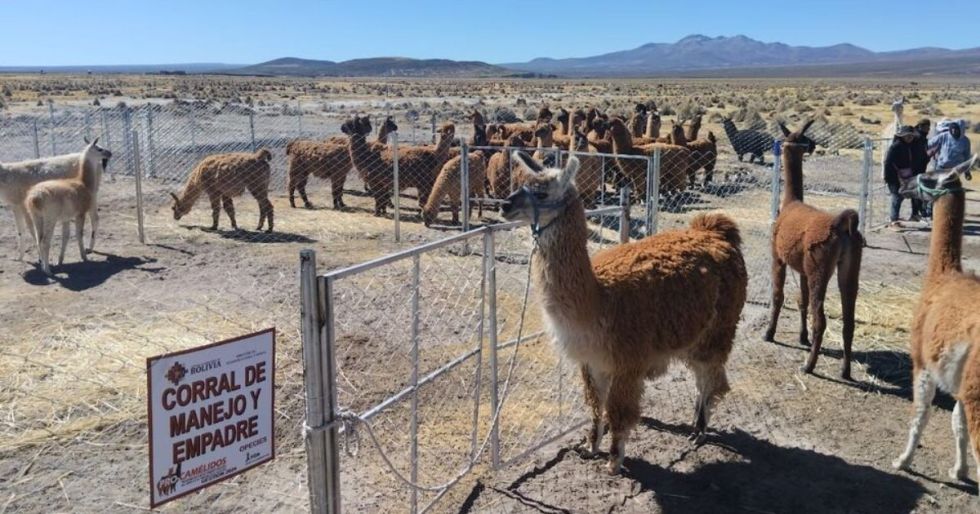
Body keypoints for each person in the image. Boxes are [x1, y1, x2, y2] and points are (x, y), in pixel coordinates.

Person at [884, 125, 918, 227]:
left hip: (905, 176)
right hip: (894, 177)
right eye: (907, 136)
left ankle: (895, 217)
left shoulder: (909, 146)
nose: (909, 138)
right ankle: (893, 220)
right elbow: (888, 162)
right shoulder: (896, 146)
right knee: (896, 197)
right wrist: (888, 177)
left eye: (911, 136)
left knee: (901, 196)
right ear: (902, 136)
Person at [908, 118, 931, 221]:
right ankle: (915, 213)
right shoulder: (917, 137)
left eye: (929, 127)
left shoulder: (921, 136)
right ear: (921, 126)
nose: (928, 129)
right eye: (927, 127)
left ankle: (917, 212)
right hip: (915, 168)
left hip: (920, 167)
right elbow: (916, 153)